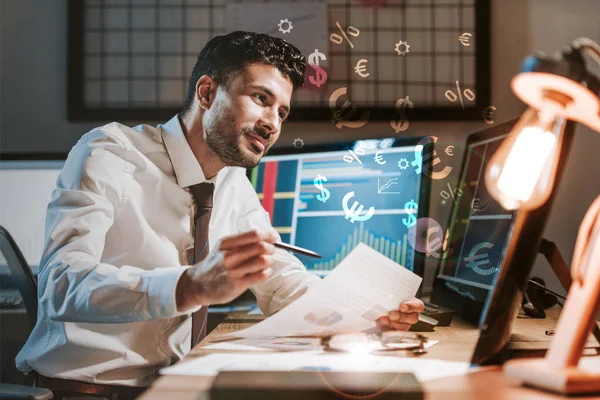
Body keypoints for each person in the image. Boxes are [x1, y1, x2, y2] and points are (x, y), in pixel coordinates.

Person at [16, 31, 424, 398]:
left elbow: (281, 279)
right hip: (83, 391)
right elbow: (59, 285)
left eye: (282, 112)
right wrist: (189, 286)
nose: (272, 124)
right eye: (261, 99)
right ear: (207, 92)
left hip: (173, 387)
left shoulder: (231, 184)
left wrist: (360, 319)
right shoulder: (110, 152)